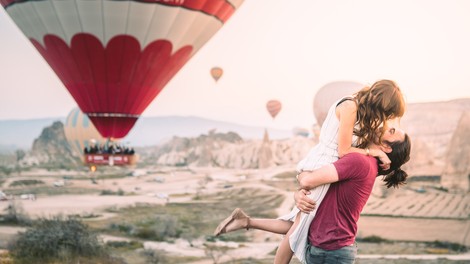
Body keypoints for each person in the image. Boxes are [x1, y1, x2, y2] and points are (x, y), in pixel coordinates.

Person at [214, 79, 406, 263]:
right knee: (298, 226)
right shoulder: (351, 108)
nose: (384, 122)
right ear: (381, 103)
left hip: (321, 164)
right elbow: (344, 150)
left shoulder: (355, 120)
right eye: (386, 114)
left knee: (299, 222)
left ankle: (246, 221)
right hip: (324, 162)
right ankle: (248, 225)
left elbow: (317, 174)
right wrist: (371, 151)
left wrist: (301, 187)